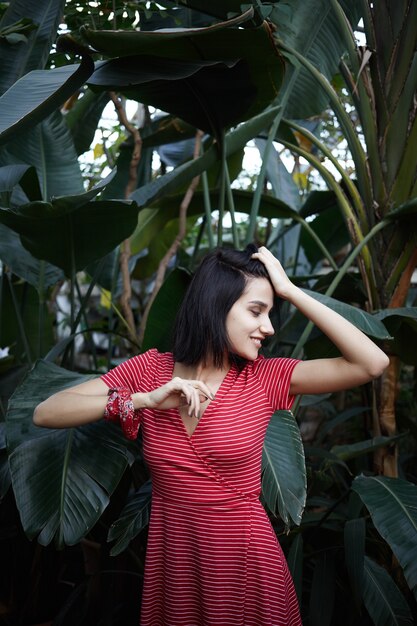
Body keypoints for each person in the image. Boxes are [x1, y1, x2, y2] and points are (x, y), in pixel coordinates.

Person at [33, 245, 389, 626]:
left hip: (245, 564)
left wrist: (289, 290)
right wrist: (142, 400)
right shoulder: (151, 371)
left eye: (270, 312)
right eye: (256, 311)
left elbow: (372, 362)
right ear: (215, 305)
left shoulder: (266, 378)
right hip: (176, 565)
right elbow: (46, 412)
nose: (268, 328)